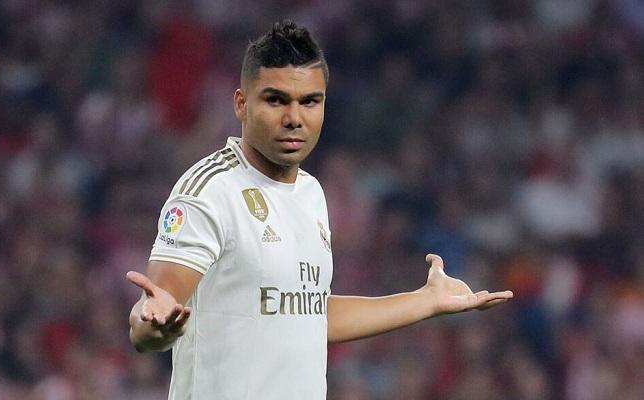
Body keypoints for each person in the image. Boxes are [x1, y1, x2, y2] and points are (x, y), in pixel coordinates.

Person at [126, 20, 513, 400]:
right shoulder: (210, 191)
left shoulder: (310, 192)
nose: (294, 118)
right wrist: (152, 327)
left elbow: (308, 316)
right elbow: (158, 305)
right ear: (242, 104)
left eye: (309, 101)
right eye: (275, 100)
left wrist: (425, 301)